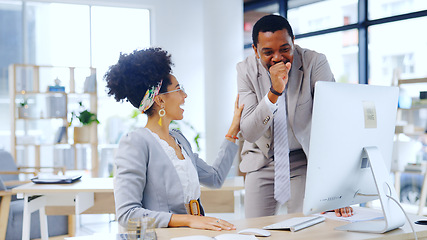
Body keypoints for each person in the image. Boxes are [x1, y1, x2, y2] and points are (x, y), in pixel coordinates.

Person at [105, 47, 244, 230]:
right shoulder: (136, 142)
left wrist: (234, 127)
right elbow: (127, 215)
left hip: (192, 234)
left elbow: (215, 178)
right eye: (179, 89)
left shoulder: (179, 140)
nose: (185, 96)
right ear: (160, 100)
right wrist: (187, 220)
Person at [237, 14, 353, 218]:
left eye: (284, 49)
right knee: (255, 231)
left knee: (306, 227)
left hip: (303, 159)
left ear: (293, 42)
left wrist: (337, 185)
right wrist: (274, 92)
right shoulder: (245, 70)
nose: (278, 58)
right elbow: (249, 132)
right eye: (267, 52)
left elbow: (334, 122)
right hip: (262, 160)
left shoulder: (314, 63)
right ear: (255, 50)